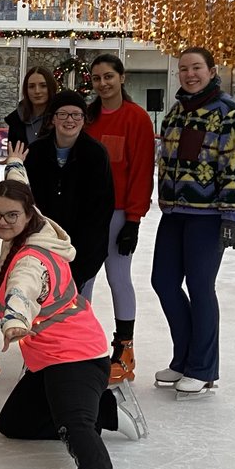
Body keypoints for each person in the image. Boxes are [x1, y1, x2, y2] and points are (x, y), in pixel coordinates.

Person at [0, 150, 145, 469]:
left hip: (75, 355)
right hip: (46, 357)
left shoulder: (32, 257)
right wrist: (15, 165)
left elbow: (24, 289)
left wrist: (14, 320)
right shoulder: (30, 221)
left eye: (11, 215)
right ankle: (107, 409)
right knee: (13, 425)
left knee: (75, 425)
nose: (2, 221)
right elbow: (19, 188)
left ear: (28, 215)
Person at [152, 47, 235, 399]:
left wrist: (232, 215)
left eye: (196, 68)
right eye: (183, 69)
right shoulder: (176, 112)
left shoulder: (230, 113)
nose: (189, 74)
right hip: (175, 212)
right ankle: (183, 358)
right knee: (163, 281)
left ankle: (203, 367)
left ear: (212, 71)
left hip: (209, 216)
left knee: (200, 286)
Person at [83, 53, 155, 384]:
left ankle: (124, 347)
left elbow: (142, 171)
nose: (102, 83)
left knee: (118, 276)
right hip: (86, 213)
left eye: (108, 76)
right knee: (82, 278)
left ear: (121, 78)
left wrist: (133, 220)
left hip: (117, 214)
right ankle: (79, 342)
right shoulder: (88, 117)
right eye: (97, 78)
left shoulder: (136, 119)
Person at [22, 90, 115, 291]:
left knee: (73, 306)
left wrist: (83, 259)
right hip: (41, 243)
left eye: (76, 114)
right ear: (53, 119)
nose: (69, 120)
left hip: (81, 247)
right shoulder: (36, 152)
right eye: (62, 114)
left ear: (83, 119)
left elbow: (101, 208)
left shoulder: (96, 154)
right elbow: (27, 200)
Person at [5, 67, 57, 147]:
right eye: (31, 86)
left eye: (43, 86)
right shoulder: (16, 119)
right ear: (26, 90)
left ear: (51, 87)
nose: (37, 91)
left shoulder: (60, 117)